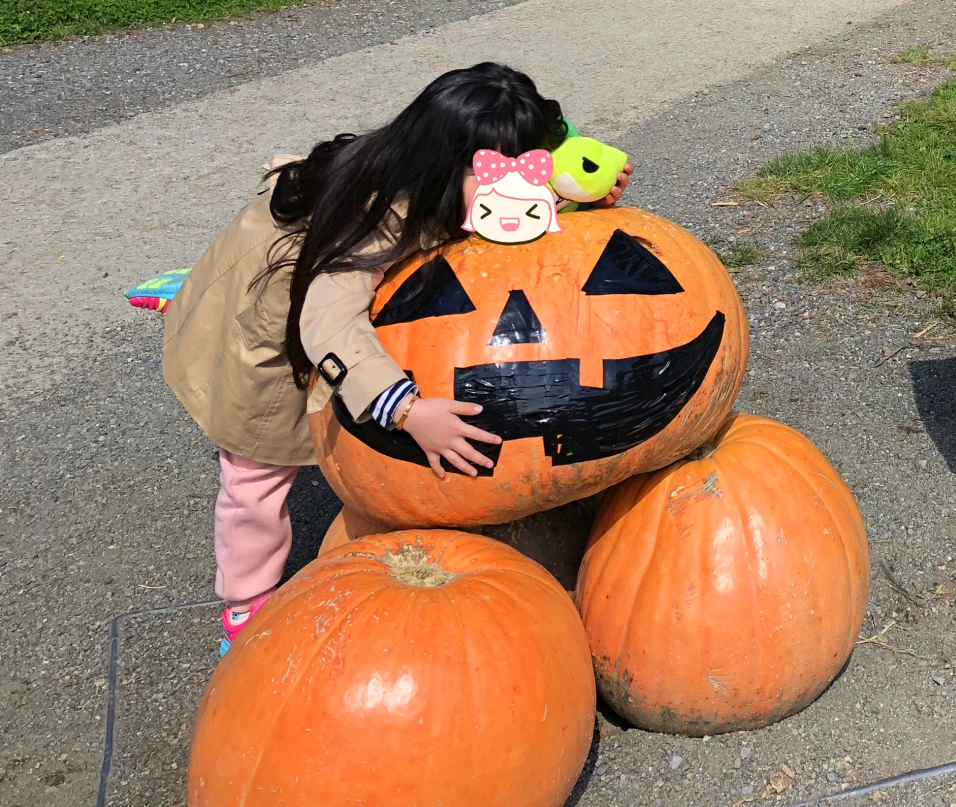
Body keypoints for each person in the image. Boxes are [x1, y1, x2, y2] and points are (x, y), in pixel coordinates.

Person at [160, 63, 630, 653]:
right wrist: (406, 410)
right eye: (496, 173)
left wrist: (583, 199)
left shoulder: (443, 177)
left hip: (320, 283)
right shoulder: (379, 218)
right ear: (444, 167)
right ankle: (243, 601)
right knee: (255, 472)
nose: (516, 185)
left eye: (525, 168)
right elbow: (327, 321)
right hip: (274, 322)